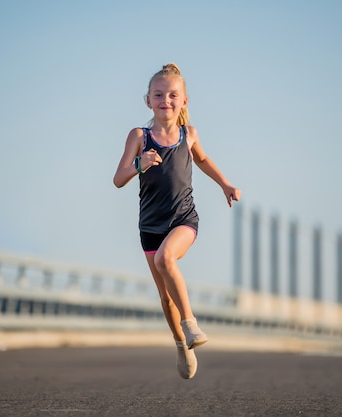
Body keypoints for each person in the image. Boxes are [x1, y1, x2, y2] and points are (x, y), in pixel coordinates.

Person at [113, 63, 241, 379]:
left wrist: (225, 183)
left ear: (184, 101)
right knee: (165, 296)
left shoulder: (189, 135)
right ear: (148, 101)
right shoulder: (140, 136)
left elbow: (203, 160)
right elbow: (118, 179)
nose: (165, 100)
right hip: (150, 226)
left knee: (166, 258)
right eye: (158, 95)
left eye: (173, 95)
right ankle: (181, 344)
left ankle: (191, 323)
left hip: (184, 219)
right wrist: (140, 165)